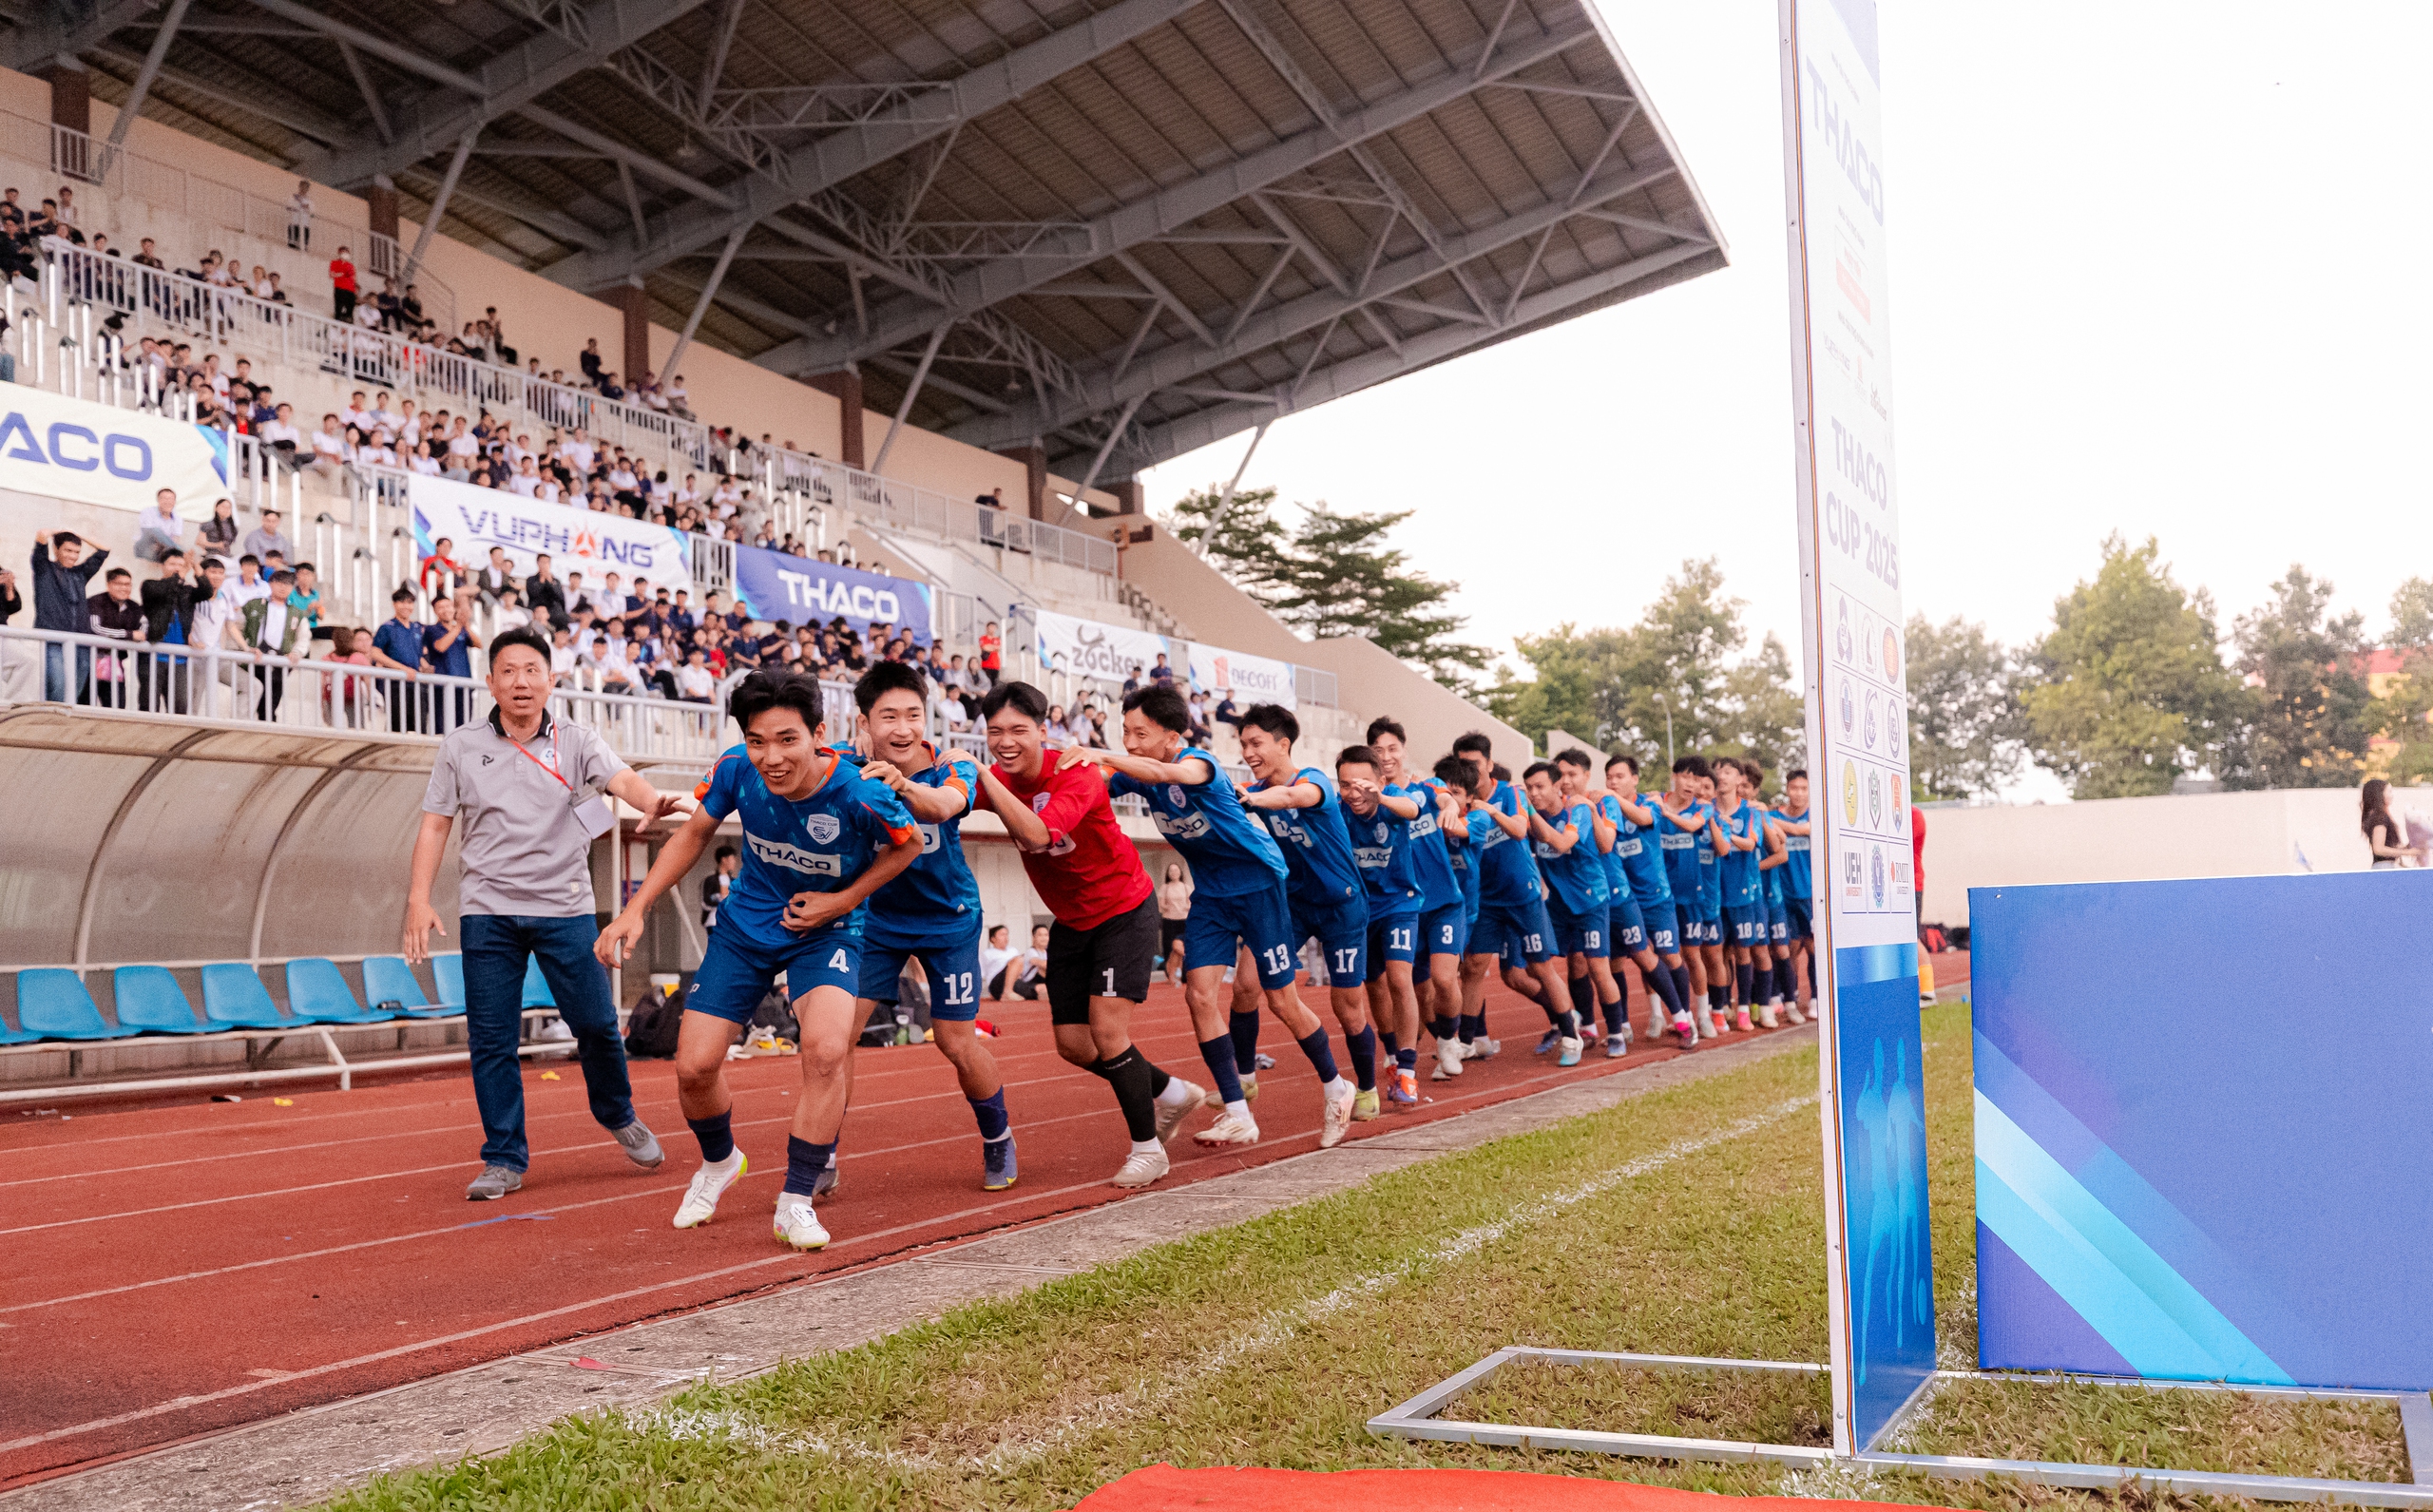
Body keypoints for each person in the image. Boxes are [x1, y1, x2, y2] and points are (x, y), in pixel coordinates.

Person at [596, 671, 923, 1252]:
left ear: (819, 734)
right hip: (747, 928)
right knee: (693, 1068)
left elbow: (909, 845)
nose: (771, 757)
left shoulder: (859, 791)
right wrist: (636, 908)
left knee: (825, 1049)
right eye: (756, 740)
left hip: (827, 930)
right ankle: (720, 1162)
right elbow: (694, 834)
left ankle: (795, 1200)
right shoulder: (734, 770)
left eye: (787, 739)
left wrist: (843, 900)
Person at [402, 624, 680, 1199]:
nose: (520, 682)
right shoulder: (460, 745)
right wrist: (418, 898)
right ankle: (503, 1157)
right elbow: (435, 823)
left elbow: (620, 778)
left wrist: (651, 800)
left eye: (532, 670)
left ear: (551, 680)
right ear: (491, 683)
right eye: (508, 671)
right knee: (492, 1039)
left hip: (566, 909)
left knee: (598, 1025)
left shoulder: (577, 740)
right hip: (488, 911)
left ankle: (618, 1113)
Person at [1056, 684, 1337, 1151]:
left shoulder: (1198, 765)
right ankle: (1238, 1114)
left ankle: (1336, 1086)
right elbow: (1100, 782)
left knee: (1282, 1002)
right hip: (1210, 894)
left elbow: (1158, 769)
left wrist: (1097, 750)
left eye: (1139, 733)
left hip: (1260, 886)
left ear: (1172, 735)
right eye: (1124, 732)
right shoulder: (1142, 771)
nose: (1129, 742)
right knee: (1199, 995)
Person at [966, 680, 1205, 1187]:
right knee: (1074, 1045)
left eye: (1019, 730)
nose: (1006, 742)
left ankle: (1147, 1150)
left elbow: (1036, 834)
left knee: (1108, 1031)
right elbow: (941, 796)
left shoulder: (1077, 774)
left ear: (1044, 730)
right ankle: (1170, 1092)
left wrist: (983, 775)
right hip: (1073, 920)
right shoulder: (993, 779)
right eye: (994, 732)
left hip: (1124, 910)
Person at [845, 661, 1017, 1192]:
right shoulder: (844, 769)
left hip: (950, 921)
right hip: (875, 922)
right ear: (865, 722)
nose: (902, 728)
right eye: (888, 716)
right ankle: (820, 1152)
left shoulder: (950, 765)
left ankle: (998, 1140)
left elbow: (948, 805)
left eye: (913, 715)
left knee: (955, 1041)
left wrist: (903, 787)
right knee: (832, 1041)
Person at [1236, 703, 1377, 1126]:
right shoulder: (1255, 788)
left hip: (1343, 906)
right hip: (1294, 904)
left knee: (1347, 1006)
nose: (1247, 751)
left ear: (1283, 744)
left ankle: (1366, 1088)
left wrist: (1257, 798)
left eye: (1256, 742)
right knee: (1245, 984)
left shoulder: (1312, 780)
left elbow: (1294, 796)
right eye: (1242, 743)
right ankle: (1243, 1078)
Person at [1369, 719, 1470, 1082]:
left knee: (1445, 980)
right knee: (1415, 991)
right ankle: (1402, 1048)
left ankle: (1449, 1041)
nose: (1386, 756)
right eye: (1378, 751)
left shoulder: (1427, 788)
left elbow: (1444, 797)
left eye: (1392, 748)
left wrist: (1451, 809)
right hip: (1404, 909)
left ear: (1404, 749)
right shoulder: (1370, 803)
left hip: (1443, 903)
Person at [1336, 744, 1426, 1106]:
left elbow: (1413, 808)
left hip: (1399, 904)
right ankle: (1391, 1056)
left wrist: (1383, 799)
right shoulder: (1338, 811)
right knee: (1373, 985)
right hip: (1359, 909)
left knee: (1400, 978)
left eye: (1363, 784)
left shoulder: (1393, 800)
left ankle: (1407, 1072)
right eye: (1345, 785)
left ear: (1381, 781)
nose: (1355, 792)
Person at [1601, 754, 1695, 1043]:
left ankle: (1686, 1017)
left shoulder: (1650, 802)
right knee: (1620, 961)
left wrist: (1612, 799)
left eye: (1620, 776)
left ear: (1635, 779)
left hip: (1655, 898)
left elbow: (1643, 818)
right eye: (1610, 777)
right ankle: (1629, 1023)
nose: (1613, 782)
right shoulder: (1604, 808)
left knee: (1668, 955)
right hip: (1622, 899)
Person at [1519, 760, 1603, 1065]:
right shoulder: (1534, 816)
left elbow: (1563, 842)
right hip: (1556, 902)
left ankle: (1593, 1030)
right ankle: (1569, 1015)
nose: (1533, 792)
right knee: (1531, 966)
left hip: (1589, 898)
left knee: (1586, 965)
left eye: (1539, 786)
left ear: (1557, 786)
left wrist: (1527, 812)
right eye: (1528, 788)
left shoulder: (1576, 811)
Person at [1657, 756, 1720, 1040]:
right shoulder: (1653, 801)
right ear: (1674, 776)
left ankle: (1703, 1014)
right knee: (1660, 955)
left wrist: (1666, 814)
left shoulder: (1703, 808)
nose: (1691, 785)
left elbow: (1693, 826)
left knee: (1692, 955)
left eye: (1697, 780)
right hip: (1659, 895)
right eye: (1687, 777)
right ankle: (1658, 1015)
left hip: (1691, 895)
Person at [30, 530, 107, 703]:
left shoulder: (80, 573)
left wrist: (79, 533)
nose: (73, 556)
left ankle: (62, 726)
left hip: (81, 641)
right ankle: (52, 724)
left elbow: (104, 550)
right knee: (58, 685)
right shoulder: (44, 569)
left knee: (74, 692)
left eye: (77, 552)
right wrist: (59, 531)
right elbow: (41, 536)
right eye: (68, 550)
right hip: (53, 639)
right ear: (56, 549)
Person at [1775, 769, 1815, 1013]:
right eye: (1794, 788)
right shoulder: (1775, 812)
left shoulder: (1816, 815)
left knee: (1813, 947)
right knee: (1788, 946)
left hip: (1810, 894)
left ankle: (1817, 998)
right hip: (1783, 893)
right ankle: (1791, 992)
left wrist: (1767, 818)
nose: (1798, 793)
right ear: (1787, 789)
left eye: (1804, 789)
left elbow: (1801, 831)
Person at [2363, 778, 2420, 869]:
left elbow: (2388, 847)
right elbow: (2378, 849)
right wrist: (2407, 852)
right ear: (2379, 795)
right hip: (2384, 867)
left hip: (2387, 866)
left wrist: (2408, 847)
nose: (2392, 795)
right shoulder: (2379, 818)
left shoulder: (2380, 816)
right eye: (2389, 791)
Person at [1157, 861, 1192, 986]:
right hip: (1169, 920)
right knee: (1169, 948)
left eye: (1176, 870)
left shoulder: (1186, 887)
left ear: (1180, 872)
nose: (1174, 873)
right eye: (1171, 871)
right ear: (1168, 873)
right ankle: (1170, 975)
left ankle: (1184, 974)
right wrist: (1169, 906)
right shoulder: (1165, 887)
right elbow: (1161, 905)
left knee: (1183, 947)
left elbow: (1191, 903)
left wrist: (1185, 907)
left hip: (1183, 919)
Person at [133, 488, 183, 564]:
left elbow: (175, 538)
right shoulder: (148, 512)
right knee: (155, 531)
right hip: (144, 547)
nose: (167, 502)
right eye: (164, 499)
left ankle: (177, 552)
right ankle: (180, 552)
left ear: (174, 502)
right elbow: (149, 534)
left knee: (177, 549)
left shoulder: (178, 518)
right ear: (158, 500)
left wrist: (168, 547)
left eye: (170, 499)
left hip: (162, 549)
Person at [979, 924, 1021, 1001]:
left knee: (1041, 989)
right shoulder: (987, 954)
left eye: (1006, 934)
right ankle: (1007, 992)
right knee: (1017, 960)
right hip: (997, 983)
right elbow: (981, 973)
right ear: (993, 938)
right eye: (1002, 935)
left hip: (1015, 981)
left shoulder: (1013, 951)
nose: (1005, 937)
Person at [701, 844, 738, 929]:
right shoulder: (710, 880)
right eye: (732, 859)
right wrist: (719, 899)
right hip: (714, 920)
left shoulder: (734, 882)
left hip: (731, 921)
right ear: (724, 860)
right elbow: (706, 900)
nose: (734, 862)